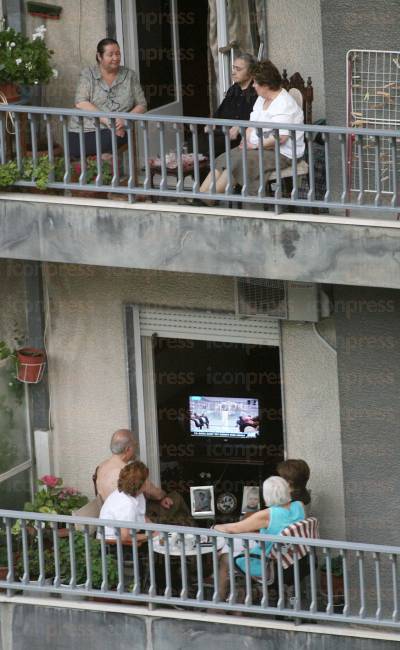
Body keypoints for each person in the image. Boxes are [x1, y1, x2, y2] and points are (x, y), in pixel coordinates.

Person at [199, 59, 304, 201]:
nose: (253, 85)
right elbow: (251, 123)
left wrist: (254, 145)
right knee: (225, 158)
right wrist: (245, 140)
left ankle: (207, 199)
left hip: (281, 152)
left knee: (238, 162)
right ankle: (200, 193)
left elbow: (281, 138)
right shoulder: (262, 98)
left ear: (266, 84)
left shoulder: (284, 103)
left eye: (255, 82)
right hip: (257, 146)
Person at [214, 476, 304, 598]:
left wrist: (214, 527)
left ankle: (218, 601)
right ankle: (241, 595)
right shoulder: (299, 506)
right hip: (293, 558)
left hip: (267, 564)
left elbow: (233, 528)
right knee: (236, 547)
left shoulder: (267, 515)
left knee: (225, 557)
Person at [94, 429, 193, 526]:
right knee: (176, 498)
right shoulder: (128, 471)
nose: (136, 449)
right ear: (128, 449)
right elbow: (154, 492)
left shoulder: (101, 467)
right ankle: (198, 533)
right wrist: (162, 497)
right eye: (135, 445)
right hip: (134, 518)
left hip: (113, 517)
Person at [68, 38, 147, 159]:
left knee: (113, 138)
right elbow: (81, 102)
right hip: (83, 129)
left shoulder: (129, 75)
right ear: (99, 56)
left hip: (118, 128)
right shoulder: (88, 74)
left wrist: (125, 119)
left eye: (118, 53)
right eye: (110, 54)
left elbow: (142, 105)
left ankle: (103, 172)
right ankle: (100, 171)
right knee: (76, 146)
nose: (116, 58)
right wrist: (108, 121)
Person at [198, 53, 258, 157]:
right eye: (233, 68)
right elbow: (220, 111)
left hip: (238, 137)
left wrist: (240, 126)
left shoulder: (257, 91)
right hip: (222, 133)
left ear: (250, 72)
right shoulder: (233, 89)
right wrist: (211, 122)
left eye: (238, 69)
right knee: (194, 143)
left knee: (206, 149)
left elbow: (259, 118)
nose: (233, 72)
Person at [99, 460, 150, 543]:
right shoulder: (126, 504)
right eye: (146, 480)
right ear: (140, 484)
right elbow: (125, 537)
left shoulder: (137, 494)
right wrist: (151, 535)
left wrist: (157, 530)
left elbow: (143, 516)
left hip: (130, 534)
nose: (148, 482)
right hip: (115, 543)